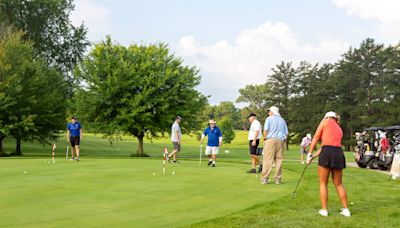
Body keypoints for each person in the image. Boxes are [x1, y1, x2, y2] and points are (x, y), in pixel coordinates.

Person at [306, 111, 351, 217]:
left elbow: (316, 138)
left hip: (327, 152)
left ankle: (324, 210)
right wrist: (313, 157)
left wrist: (309, 153)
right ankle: (346, 210)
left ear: (326, 117)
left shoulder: (325, 122)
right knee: (339, 183)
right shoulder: (339, 128)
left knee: (323, 183)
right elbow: (326, 146)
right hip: (339, 153)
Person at [260, 106, 288, 185]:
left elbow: (265, 131)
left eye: (269, 111)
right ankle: (278, 179)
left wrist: (265, 139)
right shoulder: (282, 120)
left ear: (273, 111)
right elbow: (286, 133)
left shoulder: (269, 119)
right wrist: (284, 142)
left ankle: (265, 178)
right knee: (279, 160)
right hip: (281, 141)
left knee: (268, 159)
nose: (268, 113)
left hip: (271, 140)